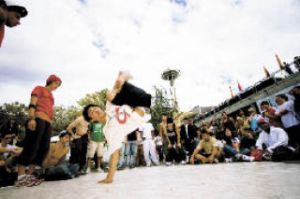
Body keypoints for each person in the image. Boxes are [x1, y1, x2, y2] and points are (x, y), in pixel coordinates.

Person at [82, 71, 151, 184]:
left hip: (135, 101)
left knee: (110, 95)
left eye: (94, 108)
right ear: (92, 120)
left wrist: (119, 82)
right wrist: (109, 178)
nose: (95, 110)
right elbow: (115, 154)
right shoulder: (109, 131)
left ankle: (123, 77)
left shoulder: (109, 106)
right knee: (111, 95)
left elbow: (114, 89)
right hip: (140, 111)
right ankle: (123, 79)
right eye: (91, 112)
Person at [16, 74, 62, 187]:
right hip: (38, 119)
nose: (57, 86)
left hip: (47, 123)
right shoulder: (39, 88)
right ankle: (20, 177)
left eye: (58, 85)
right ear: (50, 81)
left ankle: (29, 176)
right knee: (31, 147)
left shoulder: (51, 97)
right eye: (56, 83)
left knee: (44, 149)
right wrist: (31, 118)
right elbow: (33, 103)